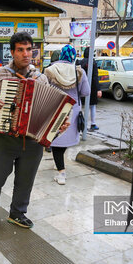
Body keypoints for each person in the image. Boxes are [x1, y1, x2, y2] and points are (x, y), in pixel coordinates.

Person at [0, 32, 68, 229]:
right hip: (6, 139)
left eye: (29, 49)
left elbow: (50, 111)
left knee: (25, 182)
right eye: (20, 50)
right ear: (12, 52)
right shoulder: (0, 74)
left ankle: (17, 213)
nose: (26, 54)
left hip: (32, 142)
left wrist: (59, 125)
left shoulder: (41, 78)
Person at [44, 45, 89, 185]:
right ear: (73, 56)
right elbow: (86, 92)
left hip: (55, 109)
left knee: (56, 140)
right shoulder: (79, 71)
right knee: (64, 141)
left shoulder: (50, 70)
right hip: (72, 110)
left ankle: (61, 172)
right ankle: (60, 167)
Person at [80, 47, 102, 131]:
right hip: (92, 87)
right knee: (92, 106)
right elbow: (95, 77)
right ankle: (93, 124)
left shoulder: (80, 62)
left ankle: (81, 123)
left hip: (81, 86)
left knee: (81, 106)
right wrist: (98, 89)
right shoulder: (93, 62)